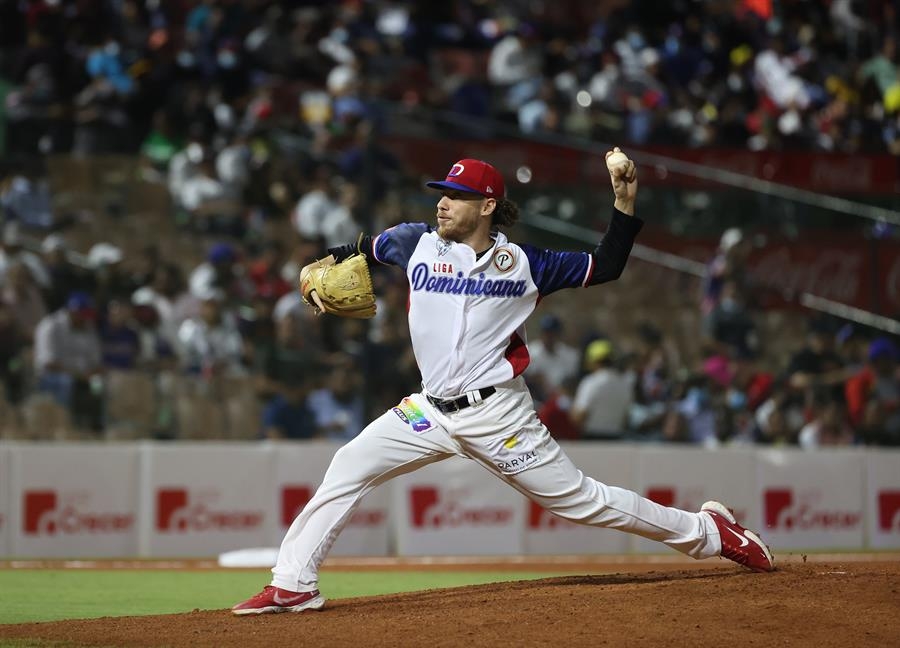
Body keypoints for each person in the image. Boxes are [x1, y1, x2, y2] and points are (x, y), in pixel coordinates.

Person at [232, 149, 774, 616]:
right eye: (441, 192)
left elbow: (606, 265)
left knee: (581, 502)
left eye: (457, 195)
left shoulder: (525, 265)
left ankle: (710, 533)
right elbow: (360, 251)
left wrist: (624, 200)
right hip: (429, 411)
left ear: (487, 206)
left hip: (497, 414)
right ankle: (293, 584)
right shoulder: (412, 242)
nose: (442, 202)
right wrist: (317, 276)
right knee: (350, 463)